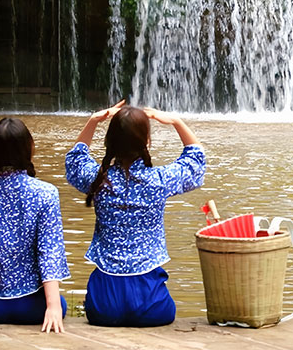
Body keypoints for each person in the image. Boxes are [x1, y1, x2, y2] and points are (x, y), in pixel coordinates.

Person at [65, 100, 205, 327]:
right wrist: (176, 121)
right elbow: (196, 161)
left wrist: (93, 121)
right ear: (146, 142)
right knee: (166, 306)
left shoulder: (98, 180)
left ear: (109, 142)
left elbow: (74, 160)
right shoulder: (160, 180)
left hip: (103, 305)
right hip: (151, 304)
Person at [0, 117, 69, 333]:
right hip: (33, 306)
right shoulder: (46, 193)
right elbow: (50, 253)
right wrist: (52, 307)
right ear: (29, 150)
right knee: (63, 304)